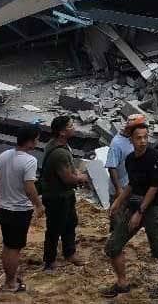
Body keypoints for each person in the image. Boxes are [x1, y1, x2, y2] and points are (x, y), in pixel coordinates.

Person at [103, 123, 158, 299]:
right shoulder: (130, 159)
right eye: (138, 138)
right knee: (113, 245)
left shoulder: (155, 157)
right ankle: (122, 283)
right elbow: (132, 184)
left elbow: (154, 187)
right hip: (134, 204)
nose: (142, 141)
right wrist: (118, 201)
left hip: (152, 208)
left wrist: (140, 212)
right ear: (131, 139)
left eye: (145, 137)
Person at [0, 127, 45, 293]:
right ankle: (10, 284)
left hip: (3, 208)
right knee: (14, 248)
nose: (37, 142)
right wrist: (38, 205)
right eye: (37, 139)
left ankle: (9, 277)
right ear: (31, 141)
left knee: (8, 244)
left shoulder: (3, 155)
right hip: (19, 211)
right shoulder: (29, 161)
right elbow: (29, 187)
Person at [40, 115, 89, 271]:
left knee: (70, 223)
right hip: (57, 196)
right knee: (55, 228)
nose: (73, 128)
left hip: (64, 194)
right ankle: (50, 260)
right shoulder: (59, 153)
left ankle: (69, 252)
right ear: (61, 132)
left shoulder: (59, 145)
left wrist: (76, 174)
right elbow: (67, 178)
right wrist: (82, 177)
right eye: (70, 126)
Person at [105, 114, 147, 200]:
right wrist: (118, 189)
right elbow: (111, 167)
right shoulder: (117, 144)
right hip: (121, 190)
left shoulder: (134, 138)